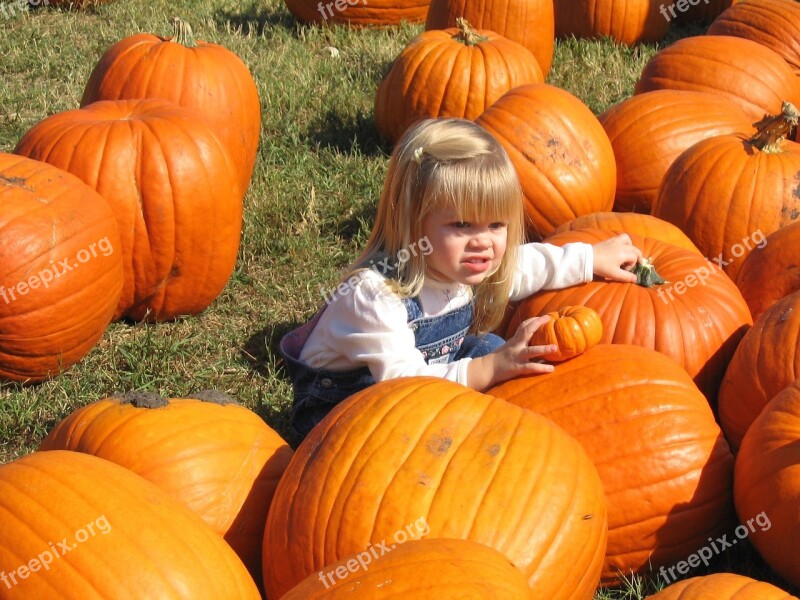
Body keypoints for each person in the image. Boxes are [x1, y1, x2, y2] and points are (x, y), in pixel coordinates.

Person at [280, 118, 642, 437]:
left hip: (423, 383)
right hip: (351, 412)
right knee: (493, 360)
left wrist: (590, 258)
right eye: (462, 224)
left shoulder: (455, 261)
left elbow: (524, 266)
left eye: (496, 224)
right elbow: (406, 387)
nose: (483, 242)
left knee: (491, 348)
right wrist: (491, 369)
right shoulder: (375, 296)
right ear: (411, 223)